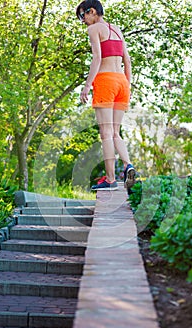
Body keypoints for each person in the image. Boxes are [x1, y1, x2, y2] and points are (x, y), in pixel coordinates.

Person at [76, 0, 136, 191]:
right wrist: (128, 84)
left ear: (92, 11)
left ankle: (110, 179)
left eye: (82, 16)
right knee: (115, 132)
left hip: (105, 81)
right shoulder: (116, 29)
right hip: (122, 83)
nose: (83, 21)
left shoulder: (94, 30)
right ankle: (128, 165)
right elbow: (127, 59)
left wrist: (86, 86)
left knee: (106, 134)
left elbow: (97, 58)